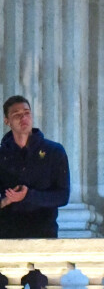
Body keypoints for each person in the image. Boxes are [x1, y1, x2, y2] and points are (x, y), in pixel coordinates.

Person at [0, 95, 70, 238]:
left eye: (26, 113)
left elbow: (62, 196)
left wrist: (29, 195)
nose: (23, 118)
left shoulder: (54, 151)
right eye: (16, 114)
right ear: (7, 121)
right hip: (6, 234)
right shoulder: (2, 154)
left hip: (43, 234)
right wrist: (6, 201)